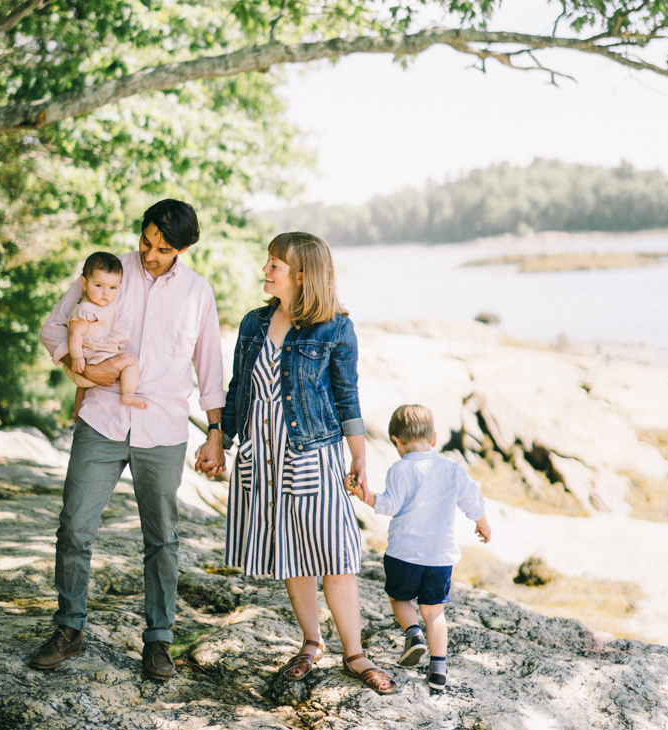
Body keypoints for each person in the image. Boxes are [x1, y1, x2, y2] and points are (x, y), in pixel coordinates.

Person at [32, 200, 226, 681]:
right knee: (74, 527)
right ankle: (69, 628)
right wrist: (81, 369)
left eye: (163, 249)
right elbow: (54, 327)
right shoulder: (107, 271)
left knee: (162, 539)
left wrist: (216, 432)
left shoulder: (199, 294)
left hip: (162, 426)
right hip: (101, 419)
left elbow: (210, 367)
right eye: (146, 241)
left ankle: (159, 640)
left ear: (184, 248)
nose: (150, 253)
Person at [199, 232, 397, 695]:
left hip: (313, 454)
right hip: (261, 457)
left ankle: (355, 654)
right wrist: (219, 441)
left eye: (275, 265)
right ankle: (312, 642)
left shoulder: (335, 328)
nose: (265, 271)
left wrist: (359, 457)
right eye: (268, 262)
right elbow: (237, 393)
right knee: (291, 553)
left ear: (303, 276)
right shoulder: (252, 324)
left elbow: (347, 396)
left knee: (333, 553)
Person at [348, 403, 491, 691]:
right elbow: (472, 501)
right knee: (434, 612)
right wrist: (483, 524)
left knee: (400, 599)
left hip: (403, 554)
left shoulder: (400, 469)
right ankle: (438, 671)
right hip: (439, 557)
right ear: (434, 438)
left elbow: (387, 505)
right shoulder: (452, 469)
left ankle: (413, 635)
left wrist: (364, 495)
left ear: (396, 442)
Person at [65, 251, 146, 422]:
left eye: (113, 288)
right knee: (131, 360)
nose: (105, 293)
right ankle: (128, 394)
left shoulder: (104, 305)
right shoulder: (85, 310)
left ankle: (77, 411)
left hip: (98, 354)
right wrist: (77, 357)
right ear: (84, 284)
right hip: (91, 356)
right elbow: (75, 335)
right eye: (99, 286)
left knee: (83, 387)